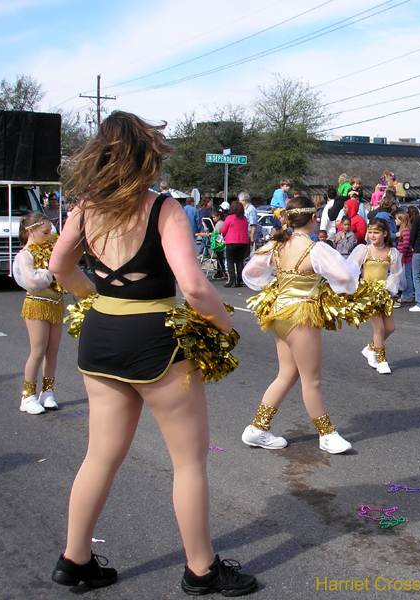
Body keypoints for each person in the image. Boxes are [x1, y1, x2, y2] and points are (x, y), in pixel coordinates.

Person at [49, 112, 257, 595]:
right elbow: (194, 286)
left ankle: (74, 559)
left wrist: (92, 299)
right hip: (156, 339)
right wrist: (224, 328)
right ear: (147, 156)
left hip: (100, 334)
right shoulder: (161, 208)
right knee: (188, 461)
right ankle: (201, 569)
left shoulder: (84, 209)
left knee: (99, 456)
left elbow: (60, 266)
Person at [242, 196, 360, 453]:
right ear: (313, 218)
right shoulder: (315, 248)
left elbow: (250, 273)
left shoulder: (276, 244)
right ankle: (327, 435)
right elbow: (345, 278)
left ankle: (258, 429)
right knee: (312, 381)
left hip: (278, 315)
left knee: (287, 374)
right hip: (301, 318)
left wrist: (276, 285)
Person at [13, 212, 65, 415]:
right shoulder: (25, 255)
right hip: (37, 304)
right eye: (45, 232)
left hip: (55, 304)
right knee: (38, 351)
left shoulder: (50, 249)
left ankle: (48, 392)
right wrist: (50, 270)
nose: (49, 235)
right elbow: (33, 282)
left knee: (52, 352)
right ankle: (28, 395)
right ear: (31, 231)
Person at [351, 218, 402, 374]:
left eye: (376, 232)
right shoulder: (364, 250)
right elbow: (351, 268)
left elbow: (396, 273)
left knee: (390, 328)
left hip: (384, 293)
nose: (372, 235)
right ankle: (381, 360)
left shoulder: (392, 252)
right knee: (378, 327)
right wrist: (354, 288)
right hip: (368, 294)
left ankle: (370, 348)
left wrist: (389, 286)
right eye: (370, 232)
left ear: (385, 233)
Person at [221, 201, 250, 288]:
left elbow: (223, 230)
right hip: (243, 242)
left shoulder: (230, 218)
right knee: (239, 261)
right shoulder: (244, 218)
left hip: (231, 241)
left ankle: (232, 280)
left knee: (230, 261)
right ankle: (240, 280)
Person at [395, 211, 414, 303]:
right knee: (405, 276)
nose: (395, 220)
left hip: (405, 257)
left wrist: (402, 256)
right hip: (403, 256)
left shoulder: (405, 231)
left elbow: (406, 245)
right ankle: (406, 293)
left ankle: (408, 295)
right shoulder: (402, 230)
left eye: (397, 219)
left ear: (401, 220)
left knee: (407, 276)